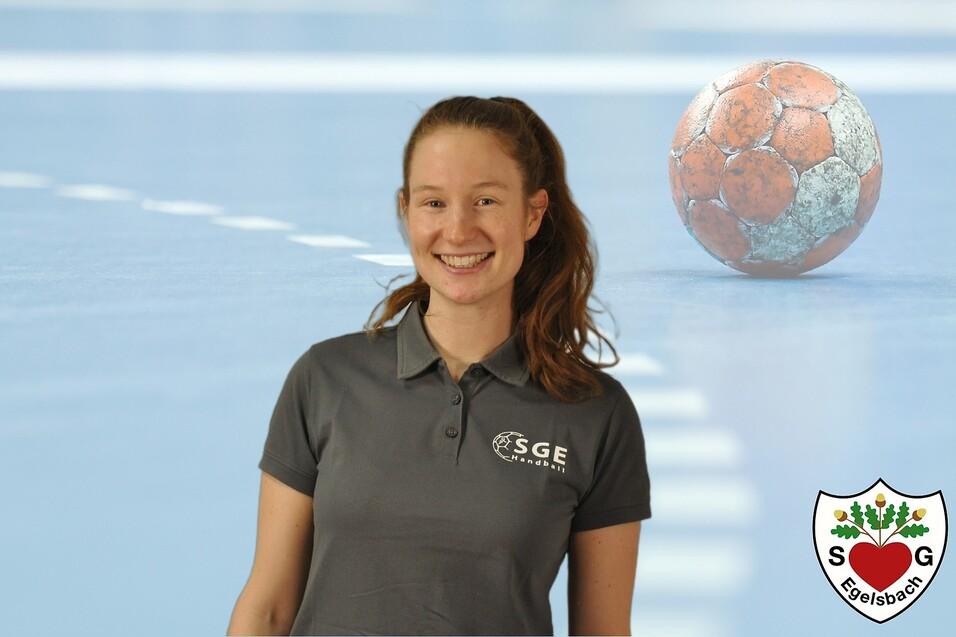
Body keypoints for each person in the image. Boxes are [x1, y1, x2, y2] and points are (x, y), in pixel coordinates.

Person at [227, 96, 651, 636]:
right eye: (434, 203)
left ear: (532, 213)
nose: (457, 230)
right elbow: (266, 611)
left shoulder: (595, 414)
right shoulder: (324, 379)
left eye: (486, 201)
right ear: (406, 211)